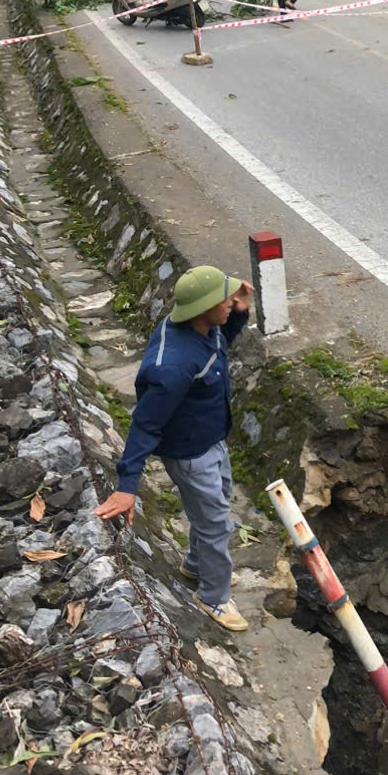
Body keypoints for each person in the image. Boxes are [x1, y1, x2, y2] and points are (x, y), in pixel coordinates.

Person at [93, 266, 254, 632]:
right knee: (216, 522)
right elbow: (145, 424)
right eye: (226, 300)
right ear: (202, 309)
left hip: (211, 438)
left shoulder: (201, 328)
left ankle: (196, 565)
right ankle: (213, 596)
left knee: (218, 503)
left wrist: (240, 313)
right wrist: (127, 485)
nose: (231, 302)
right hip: (189, 454)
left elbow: (218, 345)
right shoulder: (173, 367)